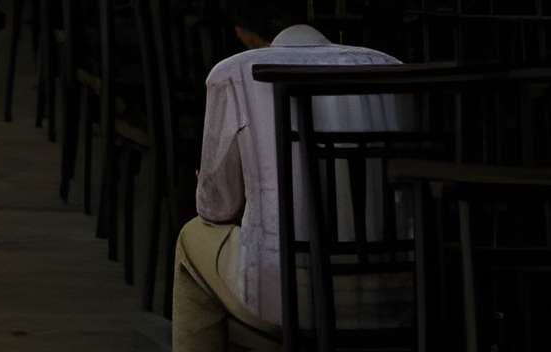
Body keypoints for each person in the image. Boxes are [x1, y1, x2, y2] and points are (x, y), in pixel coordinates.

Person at [172, 18, 403, 348]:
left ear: (243, 30)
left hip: (287, 299)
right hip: (395, 293)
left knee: (191, 238)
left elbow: (215, 209)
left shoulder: (236, 72)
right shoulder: (388, 65)